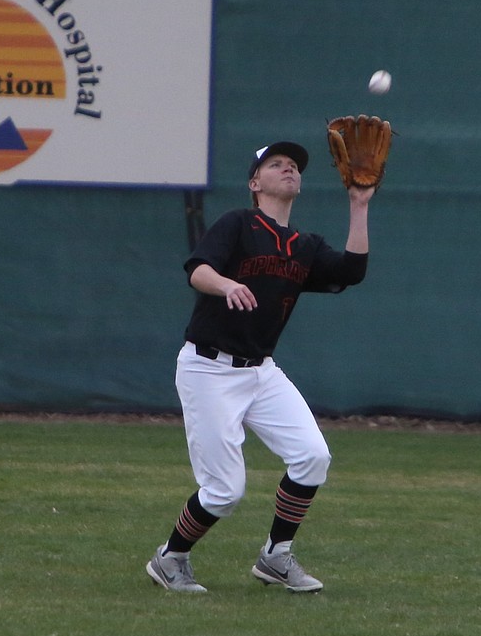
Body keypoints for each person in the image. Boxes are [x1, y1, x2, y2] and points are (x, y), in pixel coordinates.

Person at [146, 138, 375, 593]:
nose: (289, 169)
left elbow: (350, 271)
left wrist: (359, 204)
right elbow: (197, 269)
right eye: (277, 164)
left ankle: (275, 556)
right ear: (255, 183)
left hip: (261, 372)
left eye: (294, 165)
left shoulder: (303, 245)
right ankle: (170, 558)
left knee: (312, 457)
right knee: (224, 492)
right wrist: (227, 284)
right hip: (208, 368)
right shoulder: (239, 223)